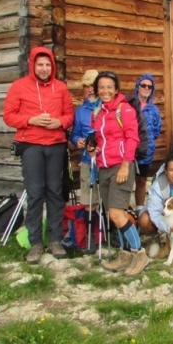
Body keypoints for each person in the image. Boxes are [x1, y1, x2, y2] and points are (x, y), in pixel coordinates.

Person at [3, 46, 75, 264]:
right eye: (40, 64)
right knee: (35, 193)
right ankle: (35, 242)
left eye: (47, 65)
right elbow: (8, 116)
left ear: (52, 67)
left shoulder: (60, 87)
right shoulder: (19, 86)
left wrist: (60, 122)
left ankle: (55, 240)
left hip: (55, 145)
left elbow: (69, 114)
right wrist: (30, 120)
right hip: (31, 145)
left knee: (55, 192)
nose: (44, 68)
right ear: (32, 65)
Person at [88, 71, 147, 276]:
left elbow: (132, 139)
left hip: (121, 167)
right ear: (97, 90)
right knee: (114, 216)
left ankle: (140, 254)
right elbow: (99, 139)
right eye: (101, 87)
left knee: (116, 214)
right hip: (103, 167)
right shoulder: (98, 112)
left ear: (116, 89)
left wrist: (125, 165)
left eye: (109, 87)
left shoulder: (125, 110)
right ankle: (125, 255)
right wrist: (92, 149)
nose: (105, 91)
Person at [70, 69, 100, 250]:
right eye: (86, 86)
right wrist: (77, 141)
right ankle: (90, 237)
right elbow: (74, 134)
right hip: (87, 160)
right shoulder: (80, 111)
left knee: (111, 198)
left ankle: (112, 232)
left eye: (92, 85)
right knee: (89, 201)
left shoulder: (106, 107)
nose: (90, 90)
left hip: (105, 160)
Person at [131, 74, 163, 208]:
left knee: (141, 181)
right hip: (128, 151)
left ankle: (139, 210)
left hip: (145, 153)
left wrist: (147, 143)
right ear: (138, 87)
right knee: (125, 182)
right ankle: (124, 212)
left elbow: (156, 130)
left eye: (149, 86)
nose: (146, 88)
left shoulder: (154, 110)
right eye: (143, 85)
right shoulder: (129, 106)